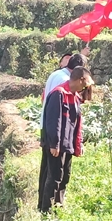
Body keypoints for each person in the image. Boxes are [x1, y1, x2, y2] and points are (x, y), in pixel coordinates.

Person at [39, 67, 95, 213]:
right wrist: (54, 143)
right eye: (85, 83)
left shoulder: (75, 97)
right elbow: (53, 121)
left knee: (64, 176)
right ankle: (46, 210)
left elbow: (77, 123)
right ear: (79, 80)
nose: (85, 87)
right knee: (54, 177)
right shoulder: (59, 94)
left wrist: (79, 142)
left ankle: (58, 205)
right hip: (57, 145)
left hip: (68, 143)